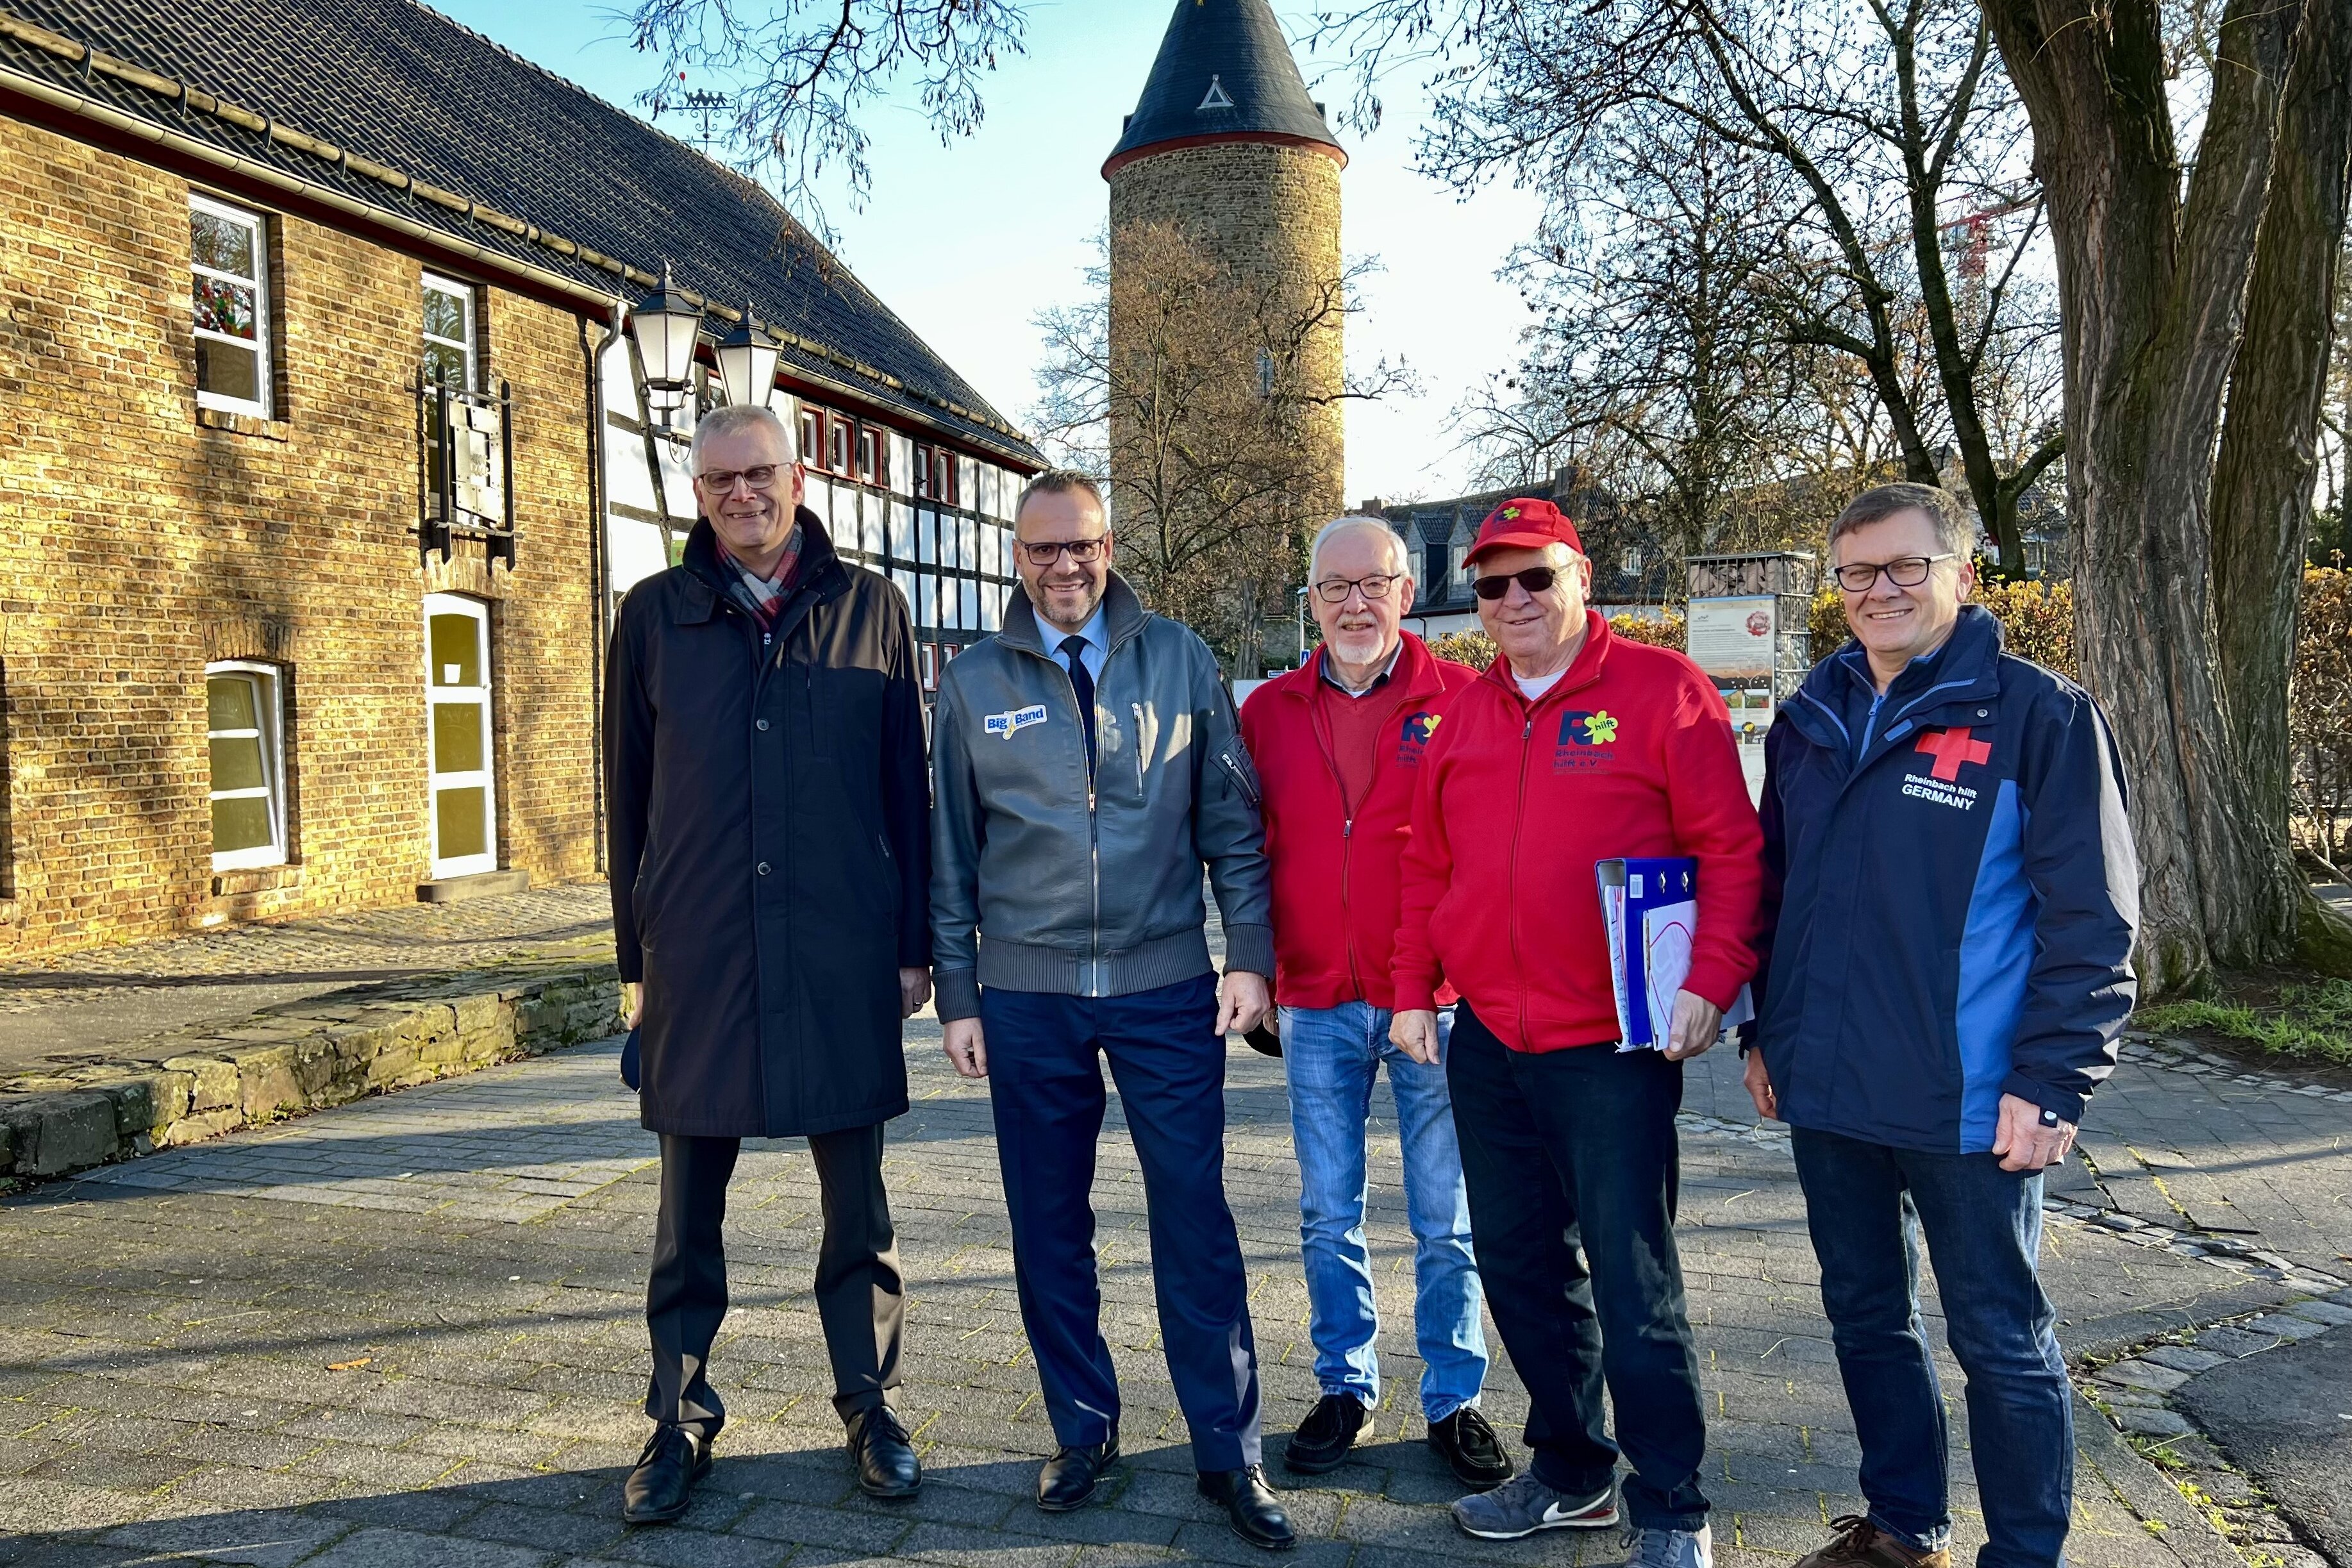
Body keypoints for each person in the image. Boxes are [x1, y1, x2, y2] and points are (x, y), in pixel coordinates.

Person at [1742, 483, 2139, 1568]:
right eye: (1857, 571)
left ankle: (2023, 1553)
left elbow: (2094, 921)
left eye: (1905, 566)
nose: (1880, 590)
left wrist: (2052, 1081)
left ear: (1961, 572)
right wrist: (1759, 1030)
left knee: (2000, 1339)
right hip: (1828, 1088)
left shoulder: (2038, 715)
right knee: (1865, 1316)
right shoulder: (1811, 715)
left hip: (1970, 1098)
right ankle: (1900, 1527)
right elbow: (1775, 891)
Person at [1390, 497, 1762, 1566]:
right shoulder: (1463, 714)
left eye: (1534, 577)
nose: (1511, 599)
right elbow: (1426, 864)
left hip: (1613, 1047)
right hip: (1489, 1042)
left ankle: (1673, 1506)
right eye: (1491, 583)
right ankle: (1569, 1472)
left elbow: (1730, 850)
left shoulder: (1661, 692)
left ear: (1580, 577)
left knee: (1632, 1278)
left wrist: (1712, 977)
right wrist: (1412, 987)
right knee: (1518, 1267)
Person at [928, 469, 1293, 1550]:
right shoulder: (971, 680)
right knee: (1048, 1223)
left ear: (1109, 545)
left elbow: (1231, 823)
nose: (1064, 565)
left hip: (1164, 988)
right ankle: (1081, 1428)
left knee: (1194, 1216)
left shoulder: (1178, 657)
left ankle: (1228, 1447)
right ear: (1016, 555)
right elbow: (950, 856)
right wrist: (958, 993)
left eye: (1081, 544)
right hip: (1026, 998)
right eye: (1042, 548)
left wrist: (1248, 955)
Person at [605, 403, 932, 1524]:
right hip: (698, 950)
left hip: (840, 947)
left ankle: (870, 1405)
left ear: (797, 479)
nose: (741, 494)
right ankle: (677, 1416)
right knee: (685, 1215)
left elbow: (906, 789)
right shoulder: (654, 616)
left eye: (759, 473)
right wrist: (634, 960)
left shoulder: (870, 607)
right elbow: (626, 799)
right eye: (719, 480)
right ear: (698, 494)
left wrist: (913, 947)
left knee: (859, 1209)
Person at [1236, 515, 1504, 1487]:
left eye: (1374, 584)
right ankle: (1346, 1383)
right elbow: (1243, 852)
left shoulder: (1466, 700)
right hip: (1313, 999)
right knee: (1325, 1211)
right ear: (1310, 599)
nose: (1355, 604)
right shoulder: (1266, 711)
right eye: (1335, 587)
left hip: (1432, 1003)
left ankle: (1454, 1397)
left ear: (1407, 592)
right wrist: (1258, 966)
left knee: (1446, 1216)